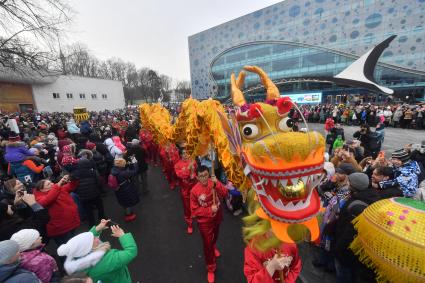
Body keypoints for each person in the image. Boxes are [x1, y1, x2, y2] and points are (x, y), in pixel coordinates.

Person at [333, 172, 380, 283]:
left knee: (344, 274)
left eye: (349, 181)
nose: (347, 183)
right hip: (358, 250)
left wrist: (338, 249)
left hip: (347, 249)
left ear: (354, 186)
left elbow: (349, 233)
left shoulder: (357, 206)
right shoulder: (371, 197)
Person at [58, 219, 137, 283]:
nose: (96, 237)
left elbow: (84, 242)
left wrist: (98, 228)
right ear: (89, 249)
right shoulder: (109, 260)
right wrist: (122, 235)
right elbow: (131, 251)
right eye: (93, 239)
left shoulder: (76, 260)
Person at [190, 165, 228, 283]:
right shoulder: (194, 191)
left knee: (215, 237)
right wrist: (210, 210)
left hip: (217, 217)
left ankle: (213, 246)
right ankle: (211, 268)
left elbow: (225, 193)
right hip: (204, 222)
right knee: (207, 244)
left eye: (206, 175)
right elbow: (195, 211)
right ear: (197, 177)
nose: (204, 178)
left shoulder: (213, 183)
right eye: (201, 176)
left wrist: (218, 184)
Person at [33, 175, 80, 246]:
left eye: (51, 182)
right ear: (42, 189)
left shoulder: (59, 188)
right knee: (67, 250)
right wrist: (58, 185)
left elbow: (71, 186)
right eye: (48, 184)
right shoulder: (39, 198)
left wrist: (73, 178)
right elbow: (48, 199)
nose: (52, 184)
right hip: (60, 230)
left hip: (71, 223)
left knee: (75, 245)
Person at [73, 149, 105, 227]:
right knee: (100, 206)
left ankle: (92, 224)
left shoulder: (75, 174)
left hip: (83, 196)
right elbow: (99, 182)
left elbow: (74, 186)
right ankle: (102, 218)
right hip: (95, 193)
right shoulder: (93, 172)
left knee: (88, 210)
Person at [174, 148, 197, 234]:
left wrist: (193, 173)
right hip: (185, 190)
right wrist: (188, 169)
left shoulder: (193, 161)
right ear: (180, 155)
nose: (186, 155)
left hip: (194, 187)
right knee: (187, 208)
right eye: (183, 153)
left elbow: (196, 171)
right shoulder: (177, 165)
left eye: (187, 153)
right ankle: (190, 224)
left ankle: (196, 214)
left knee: (197, 203)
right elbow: (180, 175)